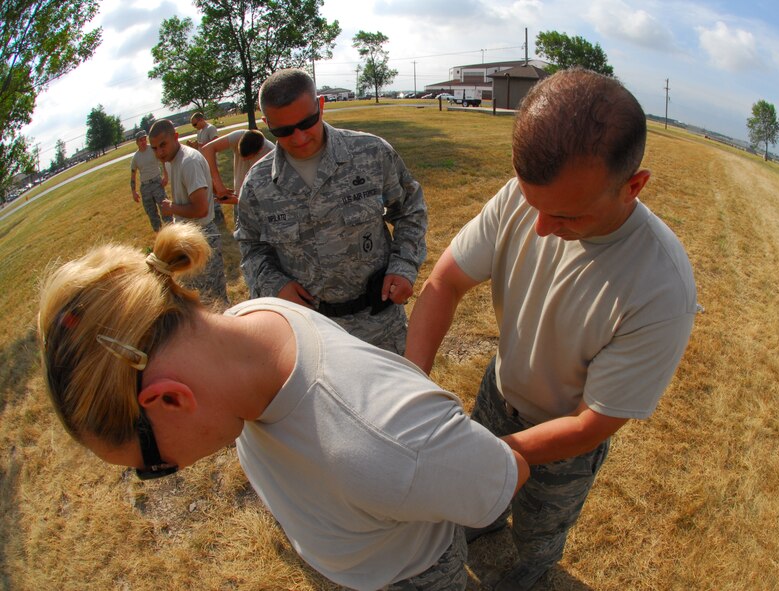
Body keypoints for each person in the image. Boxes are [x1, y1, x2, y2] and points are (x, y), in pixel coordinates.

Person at [36, 223, 529, 590]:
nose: (174, 467)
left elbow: (502, 474)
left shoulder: (389, 440)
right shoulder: (248, 324)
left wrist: (591, 422)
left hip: (412, 574)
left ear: (167, 398)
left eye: (154, 466)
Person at [404, 68, 699, 590]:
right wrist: (409, 387)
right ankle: (482, 524)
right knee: (475, 506)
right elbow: (445, 283)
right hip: (499, 393)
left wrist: (499, 456)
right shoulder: (526, 198)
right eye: (532, 203)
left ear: (633, 186)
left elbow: (594, 424)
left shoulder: (661, 288)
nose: (540, 227)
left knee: (538, 533)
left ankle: (527, 572)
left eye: (566, 216)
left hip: (567, 440)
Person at [235, 68, 427, 354]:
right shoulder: (258, 185)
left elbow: (410, 209)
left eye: (307, 122)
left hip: (379, 328)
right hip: (308, 335)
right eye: (283, 131)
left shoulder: (371, 153)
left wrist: (404, 266)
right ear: (266, 124)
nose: (299, 138)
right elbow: (251, 247)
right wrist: (275, 284)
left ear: (320, 105)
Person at [148, 119, 228, 306]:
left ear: (176, 137)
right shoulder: (171, 160)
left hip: (202, 237)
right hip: (189, 238)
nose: (159, 152)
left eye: (163, 145)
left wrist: (171, 207)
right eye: (154, 148)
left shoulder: (188, 162)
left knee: (213, 301)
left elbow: (201, 209)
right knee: (196, 301)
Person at [200, 128, 274, 204]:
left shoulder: (271, 155)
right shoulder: (240, 136)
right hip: (239, 198)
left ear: (260, 150)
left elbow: (270, 199)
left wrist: (238, 201)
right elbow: (207, 149)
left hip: (256, 207)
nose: (243, 160)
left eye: (248, 158)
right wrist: (219, 186)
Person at [186, 112, 226, 226]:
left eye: (195, 124)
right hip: (203, 164)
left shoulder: (210, 128)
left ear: (201, 120)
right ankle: (215, 215)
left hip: (211, 164)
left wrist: (198, 144)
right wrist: (195, 146)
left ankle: (219, 216)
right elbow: (201, 146)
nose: (195, 127)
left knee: (215, 190)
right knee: (209, 190)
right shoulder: (200, 131)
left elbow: (216, 142)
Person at [129, 130, 171, 232]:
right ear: (137, 143)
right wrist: (134, 192)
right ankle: (159, 235)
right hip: (145, 187)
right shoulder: (136, 158)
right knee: (152, 214)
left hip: (157, 183)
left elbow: (163, 161)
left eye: (144, 139)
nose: (143, 142)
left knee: (165, 209)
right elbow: (133, 175)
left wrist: (166, 176)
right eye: (140, 140)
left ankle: (172, 232)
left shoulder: (153, 149)